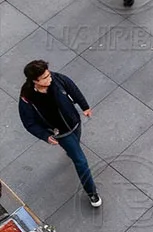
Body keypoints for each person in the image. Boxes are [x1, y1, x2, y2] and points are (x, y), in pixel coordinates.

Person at [19, 62, 101, 207]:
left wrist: (84, 106)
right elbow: (29, 122)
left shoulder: (57, 79)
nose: (49, 78)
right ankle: (91, 192)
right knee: (81, 161)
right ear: (35, 81)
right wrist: (44, 135)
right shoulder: (27, 97)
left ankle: (71, 150)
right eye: (45, 77)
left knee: (76, 142)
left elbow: (72, 88)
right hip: (61, 133)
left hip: (74, 123)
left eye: (48, 74)